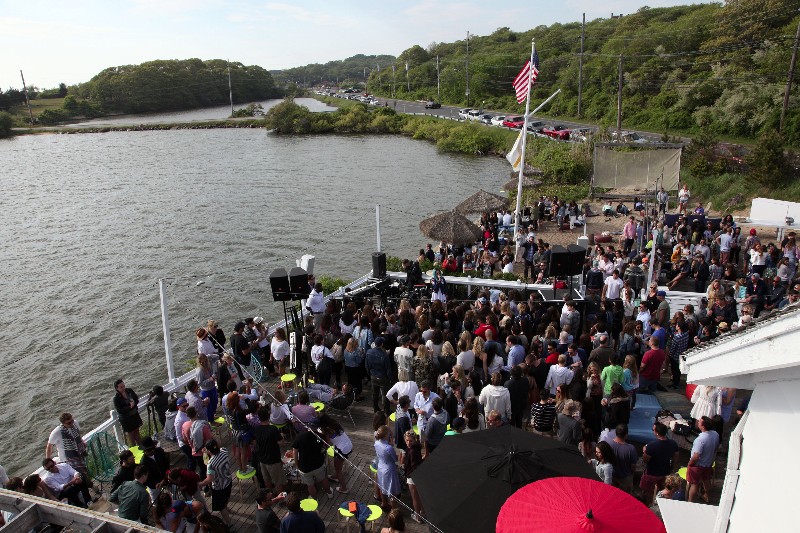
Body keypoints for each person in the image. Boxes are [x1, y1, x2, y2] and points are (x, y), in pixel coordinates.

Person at [641, 422, 680, 506]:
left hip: (652, 472)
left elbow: (645, 460)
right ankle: (660, 504)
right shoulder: (673, 443)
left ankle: (648, 504)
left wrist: (645, 451)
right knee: (662, 489)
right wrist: (672, 467)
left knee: (647, 491)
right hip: (665, 471)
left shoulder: (651, 446)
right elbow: (676, 457)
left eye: (653, 430)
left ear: (657, 433)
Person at [252, 406, 287, 495]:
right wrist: (281, 436)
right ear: (268, 416)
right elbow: (281, 443)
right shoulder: (273, 429)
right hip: (273, 460)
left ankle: (269, 496)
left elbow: (254, 443)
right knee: (278, 482)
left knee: (267, 480)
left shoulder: (256, 430)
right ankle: (281, 499)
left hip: (262, 460)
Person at [292, 427, 333, 499]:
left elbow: (295, 453)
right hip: (318, 464)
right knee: (324, 479)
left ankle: (314, 499)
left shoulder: (299, 437)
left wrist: (297, 464)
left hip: (304, 467)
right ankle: (329, 493)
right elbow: (328, 445)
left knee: (310, 485)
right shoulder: (320, 436)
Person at [199, 439, 233, 525]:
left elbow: (209, 479)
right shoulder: (224, 451)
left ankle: (229, 524)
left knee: (221, 507)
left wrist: (200, 484)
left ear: (209, 451)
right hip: (228, 481)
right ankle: (226, 506)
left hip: (219, 487)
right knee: (226, 497)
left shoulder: (211, 464)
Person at [687, 417, 720, 503]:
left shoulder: (700, 439)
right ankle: (707, 496)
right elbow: (716, 448)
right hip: (708, 463)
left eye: (699, 422)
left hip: (697, 465)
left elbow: (696, 456)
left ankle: (690, 501)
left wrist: (690, 464)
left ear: (703, 427)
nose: (698, 422)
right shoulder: (715, 434)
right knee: (706, 481)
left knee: (694, 484)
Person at [45, 412, 89, 477]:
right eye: (69, 423)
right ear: (63, 423)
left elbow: (77, 435)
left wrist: (82, 442)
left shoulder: (75, 424)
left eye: (72, 421)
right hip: (68, 458)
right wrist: (48, 461)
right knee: (79, 474)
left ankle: (89, 484)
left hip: (79, 452)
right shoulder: (56, 432)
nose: (71, 423)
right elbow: (49, 446)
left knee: (85, 471)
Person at [603, 424, 639, 493]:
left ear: (615, 433)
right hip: (625, 478)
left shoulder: (607, 444)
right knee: (626, 498)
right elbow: (633, 466)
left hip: (611, 476)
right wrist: (632, 474)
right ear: (626, 435)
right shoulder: (631, 449)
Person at [374, 425, 400, 510]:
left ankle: (384, 503)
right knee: (391, 491)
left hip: (381, 466)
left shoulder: (376, 443)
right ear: (385, 435)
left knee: (382, 486)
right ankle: (394, 508)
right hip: (389, 469)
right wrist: (392, 445)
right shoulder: (388, 448)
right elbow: (395, 459)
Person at [365, 337, 392, 414]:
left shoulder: (369, 352)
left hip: (373, 375)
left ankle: (375, 408)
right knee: (385, 395)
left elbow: (366, 365)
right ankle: (387, 411)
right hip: (383, 377)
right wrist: (390, 378)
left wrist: (369, 374)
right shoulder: (384, 355)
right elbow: (388, 369)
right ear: (382, 344)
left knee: (374, 393)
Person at [113, 379, 143, 446]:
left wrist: (134, 403)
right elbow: (119, 410)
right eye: (121, 387)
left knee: (137, 432)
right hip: (127, 419)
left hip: (135, 415)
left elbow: (136, 399)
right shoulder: (116, 398)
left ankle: (141, 448)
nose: (123, 388)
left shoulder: (129, 391)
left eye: (123, 386)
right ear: (117, 388)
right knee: (131, 436)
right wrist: (129, 407)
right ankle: (135, 452)